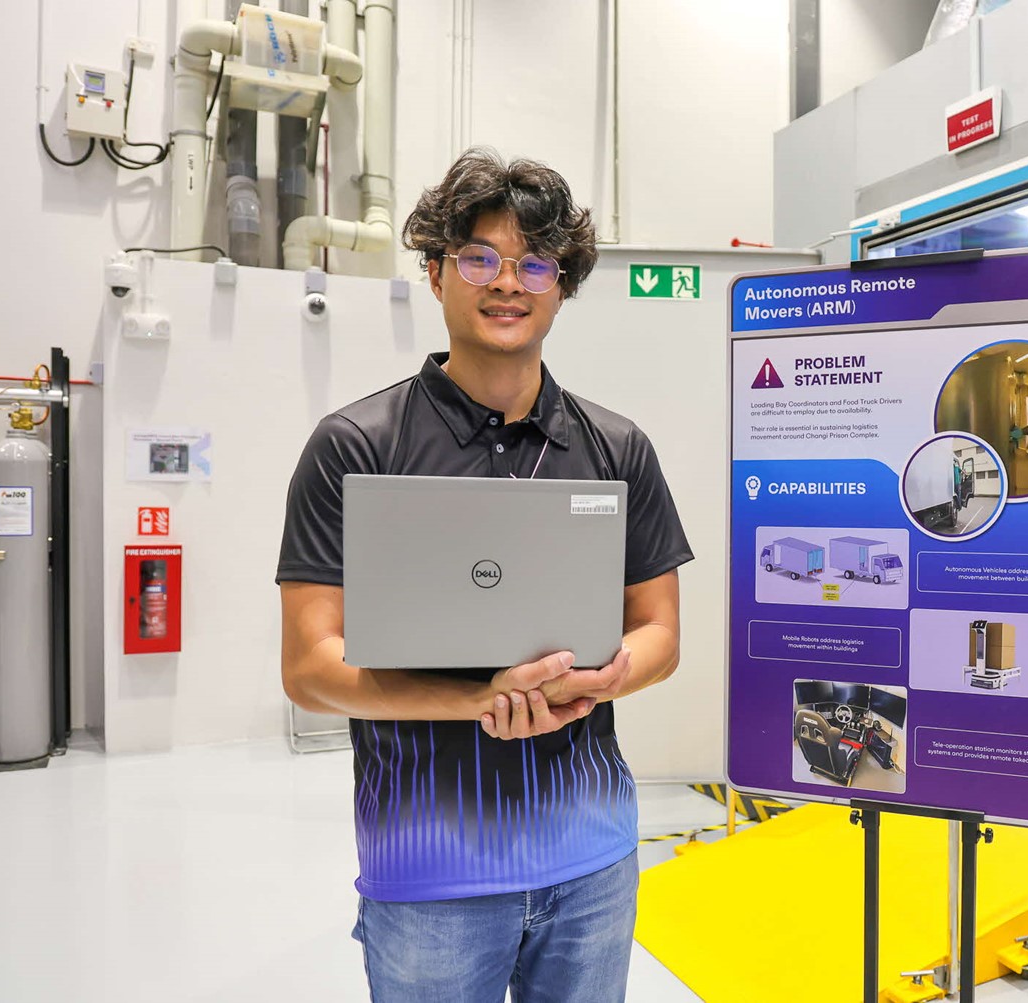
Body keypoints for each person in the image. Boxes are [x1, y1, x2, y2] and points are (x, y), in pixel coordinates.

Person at [275, 148, 692, 1002]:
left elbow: (660, 632)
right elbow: (311, 670)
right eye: (479, 258)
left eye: (536, 262)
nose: (510, 282)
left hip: (593, 862)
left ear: (563, 284)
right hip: (430, 871)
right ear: (434, 273)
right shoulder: (357, 449)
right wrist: (477, 700)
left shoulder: (615, 449)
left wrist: (613, 673)